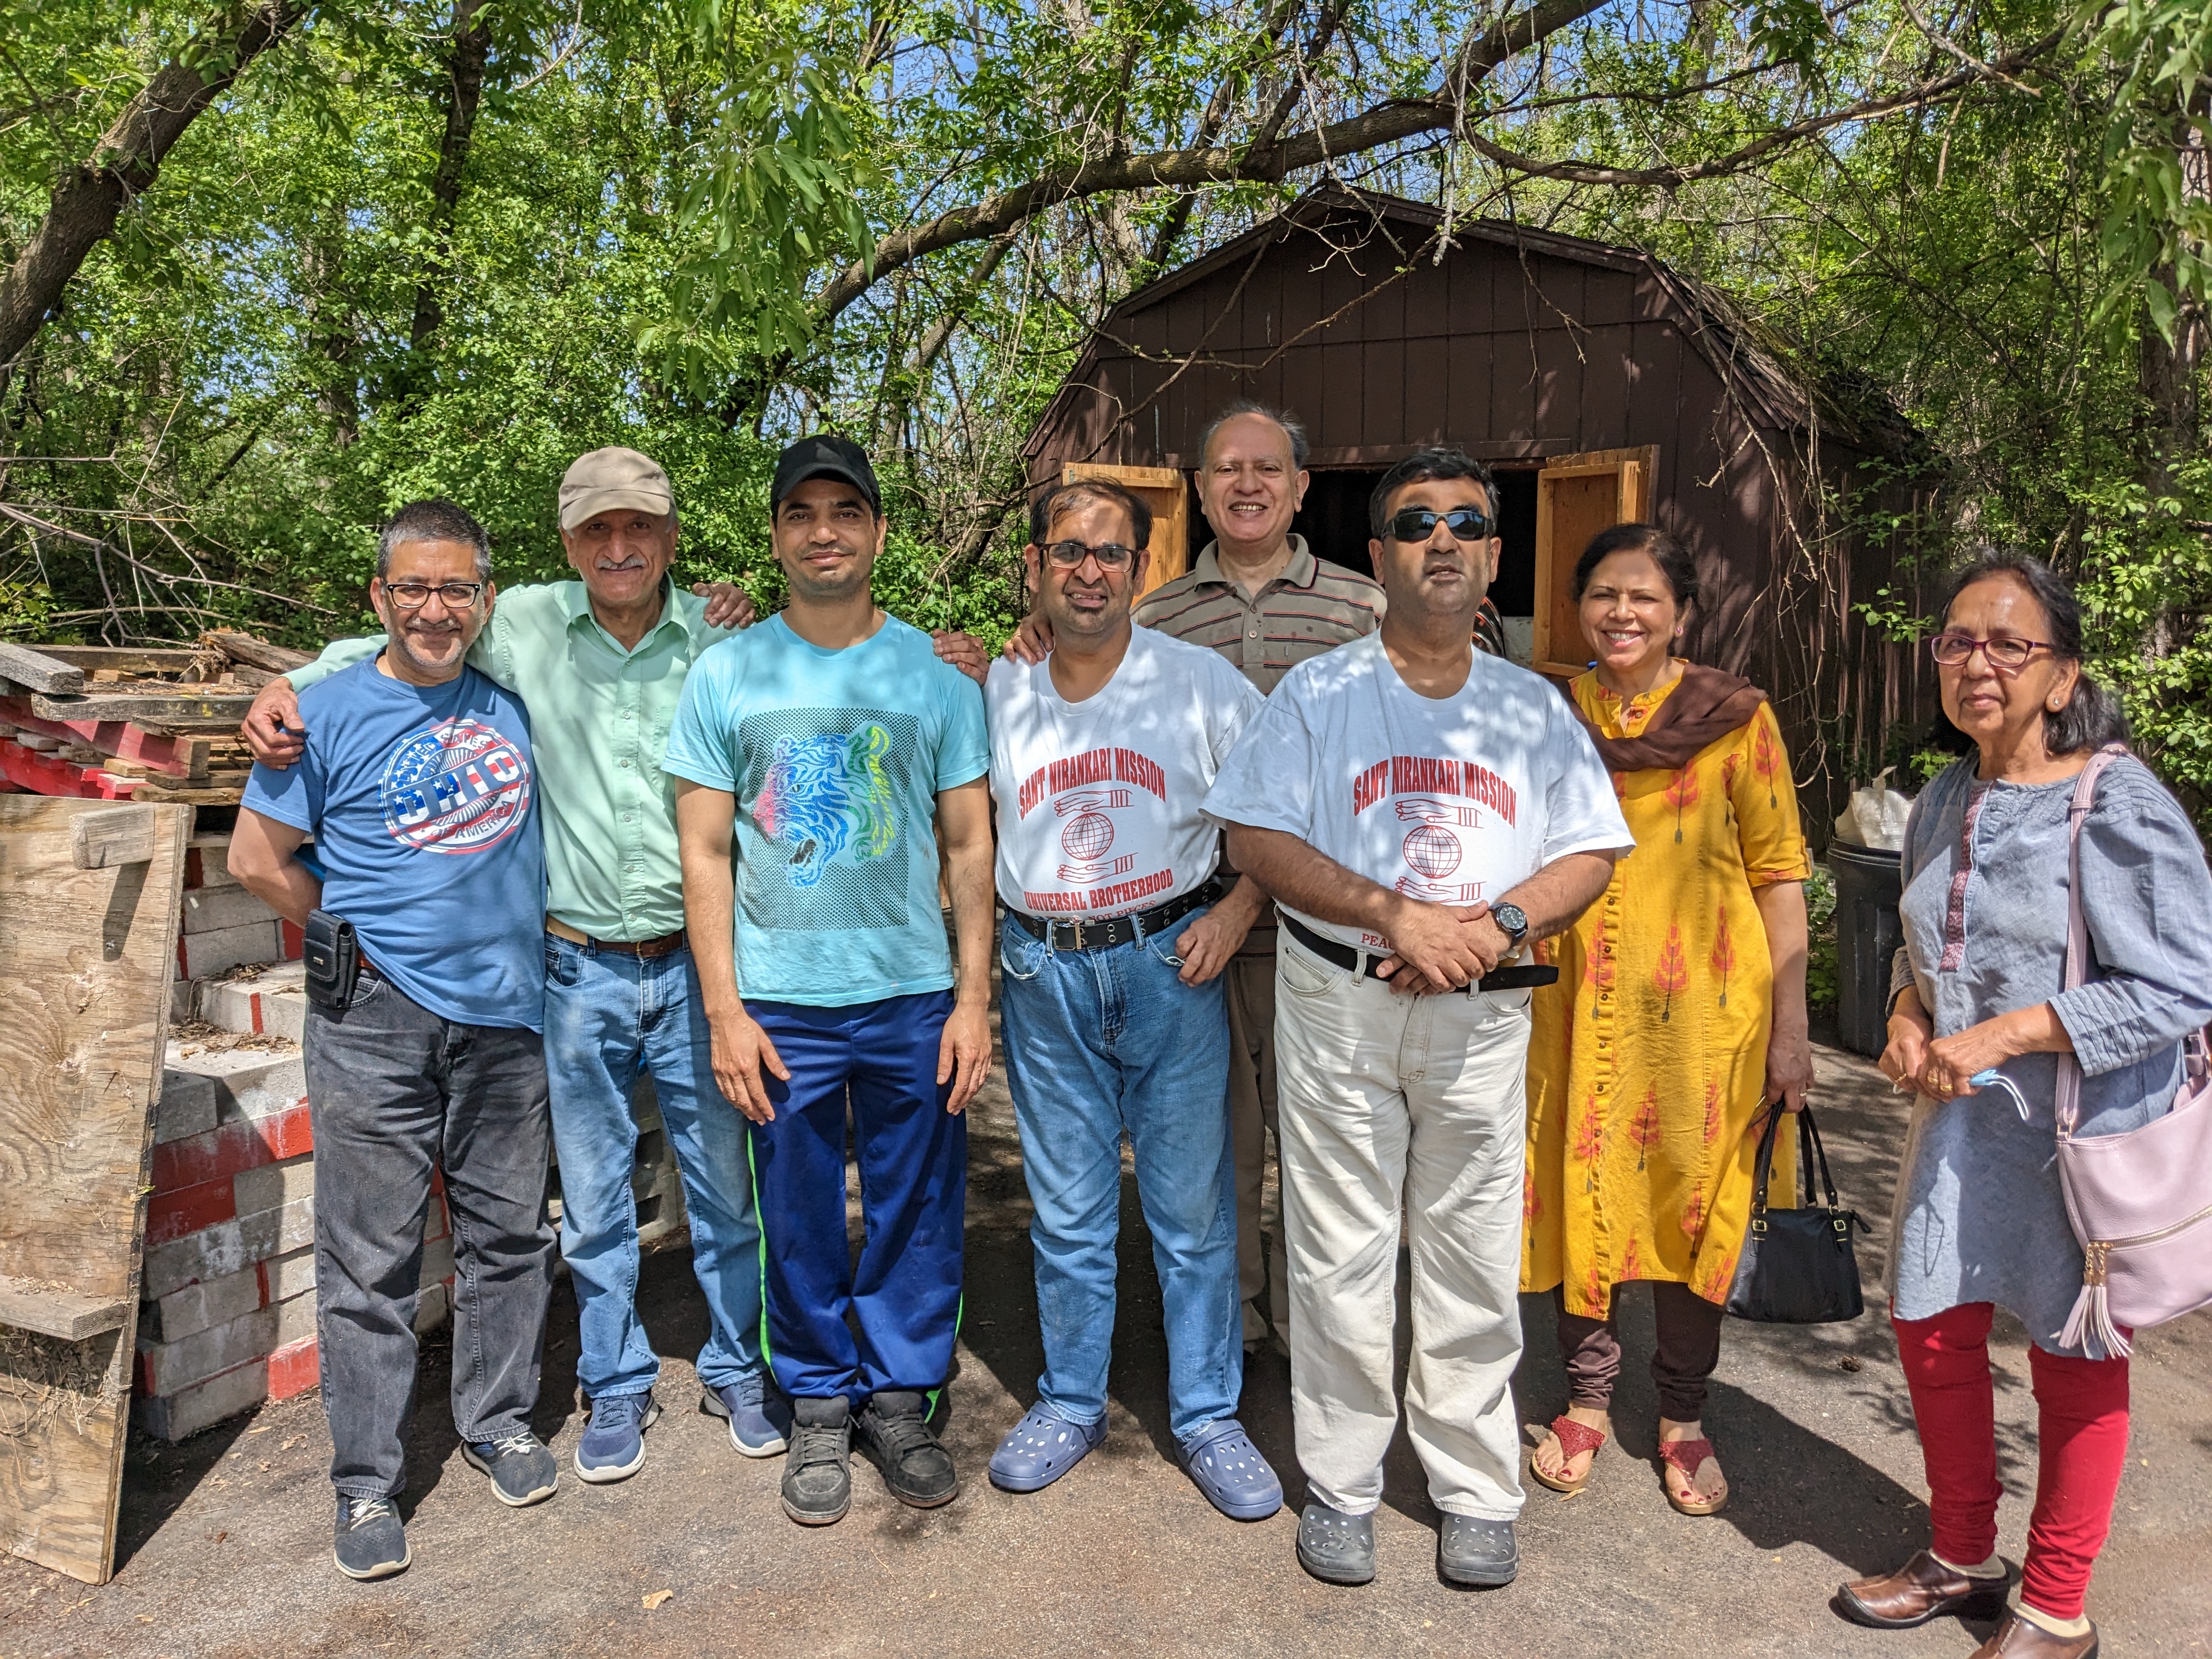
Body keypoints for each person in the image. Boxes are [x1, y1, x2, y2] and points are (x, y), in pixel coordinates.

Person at [240, 448, 793, 1486]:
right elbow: (408, 629)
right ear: (568, 543)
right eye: (596, 532)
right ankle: (615, 1384)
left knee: (725, 1188)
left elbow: (814, 681)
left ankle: (735, 1365)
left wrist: (955, 656)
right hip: (576, 966)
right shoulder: (524, 622)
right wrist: (291, 679)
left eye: (639, 530)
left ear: (671, 538)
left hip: (696, 969)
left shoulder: (725, 637)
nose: (619, 549)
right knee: (590, 1201)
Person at [1204, 445, 1633, 1589]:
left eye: (1463, 522)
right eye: (1414, 522)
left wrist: (1489, 923)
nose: (1440, 539)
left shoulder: (1530, 708)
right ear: (1380, 555)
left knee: (1471, 1245)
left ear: (1493, 556)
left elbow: (1589, 848)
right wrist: (1399, 915)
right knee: (1339, 1250)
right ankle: (1342, 1483)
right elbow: (1253, 838)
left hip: (1482, 1008)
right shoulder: (1322, 694)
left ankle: (1475, 1484)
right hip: (1342, 999)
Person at [1840, 550, 2212, 1659]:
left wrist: (2002, 1033)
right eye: (1958, 641)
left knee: (2075, 1348)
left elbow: (2181, 983)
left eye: (2010, 644)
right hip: (1964, 1124)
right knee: (1931, 1325)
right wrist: (1909, 1013)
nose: (1978, 663)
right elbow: (1928, 952)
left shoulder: (2116, 800)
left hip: (2079, 1131)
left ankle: (2056, 1605)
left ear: (2062, 678)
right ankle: (1963, 1557)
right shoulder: (1944, 795)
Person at [982, 402, 1390, 1356]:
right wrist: (1022, 632)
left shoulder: (1365, 610)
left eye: (1267, 468)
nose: (1247, 485)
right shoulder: (1156, 616)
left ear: (1299, 486)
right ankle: (1234, 1339)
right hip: (1195, 945)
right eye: (1226, 470)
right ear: (1200, 493)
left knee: (1334, 1152)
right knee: (1220, 1159)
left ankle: (1327, 1341)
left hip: (1327, 934)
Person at [666, 434, 995, 1528]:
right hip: (779, 1000)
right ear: (775, 537)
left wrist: (973, 1000)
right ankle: (814, 1396)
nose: (823, 531)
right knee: (797, 1210)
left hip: (908, 992)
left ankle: (898, 1395)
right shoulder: (726, 673)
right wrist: (723, 1010)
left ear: (878, 533)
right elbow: (704, 852)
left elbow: (967, 849)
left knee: (916, 1202)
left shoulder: (933, 677)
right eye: (801, 513)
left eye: (844, 511)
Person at [228, 500, 558, 1581]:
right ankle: (367, 1482)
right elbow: (254, 858)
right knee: (367, 1260)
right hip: (375, 1023)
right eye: (412, 587)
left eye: (455, 589)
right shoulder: (320, 714)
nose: (433, 607)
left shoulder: (515, 702)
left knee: (508, 1238)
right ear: (377, 597)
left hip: (507, 1016)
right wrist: (355, 942)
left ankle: (499, 1421)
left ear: (484, 600)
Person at [981, 475, 1281, 1519]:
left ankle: (1206, 1415)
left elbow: (1282, 814)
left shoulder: (1197, 683)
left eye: (1111, 553)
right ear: (1036, 567)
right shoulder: (995, 684)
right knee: (1067, 1215)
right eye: (1069, 550)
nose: (1090, 570)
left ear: (1143, 569)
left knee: (1191, 1215)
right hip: (1043, 971)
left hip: (1170, 961)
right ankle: (1070, 1400)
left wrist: (1239, 913)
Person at [1519, 522, 1813, 1516]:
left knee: (1698, 1208)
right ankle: (1589, 1400)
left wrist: (1791, 1030)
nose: (1621, 613)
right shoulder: (1555, 714)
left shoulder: (1737, 719)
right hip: (1574, 1007)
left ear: (1681, 612)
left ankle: (1683, 1414)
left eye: (1643, 596)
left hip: (1706, 1024)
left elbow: (1780, 876)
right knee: (1584, 1191)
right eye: (1602, 594)